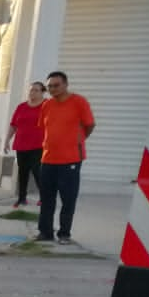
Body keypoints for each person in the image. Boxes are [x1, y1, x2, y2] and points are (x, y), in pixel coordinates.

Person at [35, 70, 95, 244]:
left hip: (71, 159)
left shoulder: (79, 102)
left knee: (68, 198)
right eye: (50, 86)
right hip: (48, 159)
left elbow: (89, 125)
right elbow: (44, 128)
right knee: (46, 198)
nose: (53, 89)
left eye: (56, 85)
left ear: (66, 84)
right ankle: (45, 232)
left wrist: (78, 140)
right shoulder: (47, 105)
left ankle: (64, 234)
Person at [4, 80, 47, 209]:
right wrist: (7, 140)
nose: (32, 92)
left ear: (42, 92)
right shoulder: (21, 107)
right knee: (23, 172)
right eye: (31, 90)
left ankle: (45, 198)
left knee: (37, 171)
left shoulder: (47, 105)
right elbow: (13, 125)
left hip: (38, 145)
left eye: (36, 90)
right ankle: (22, 198)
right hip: (21, 144)